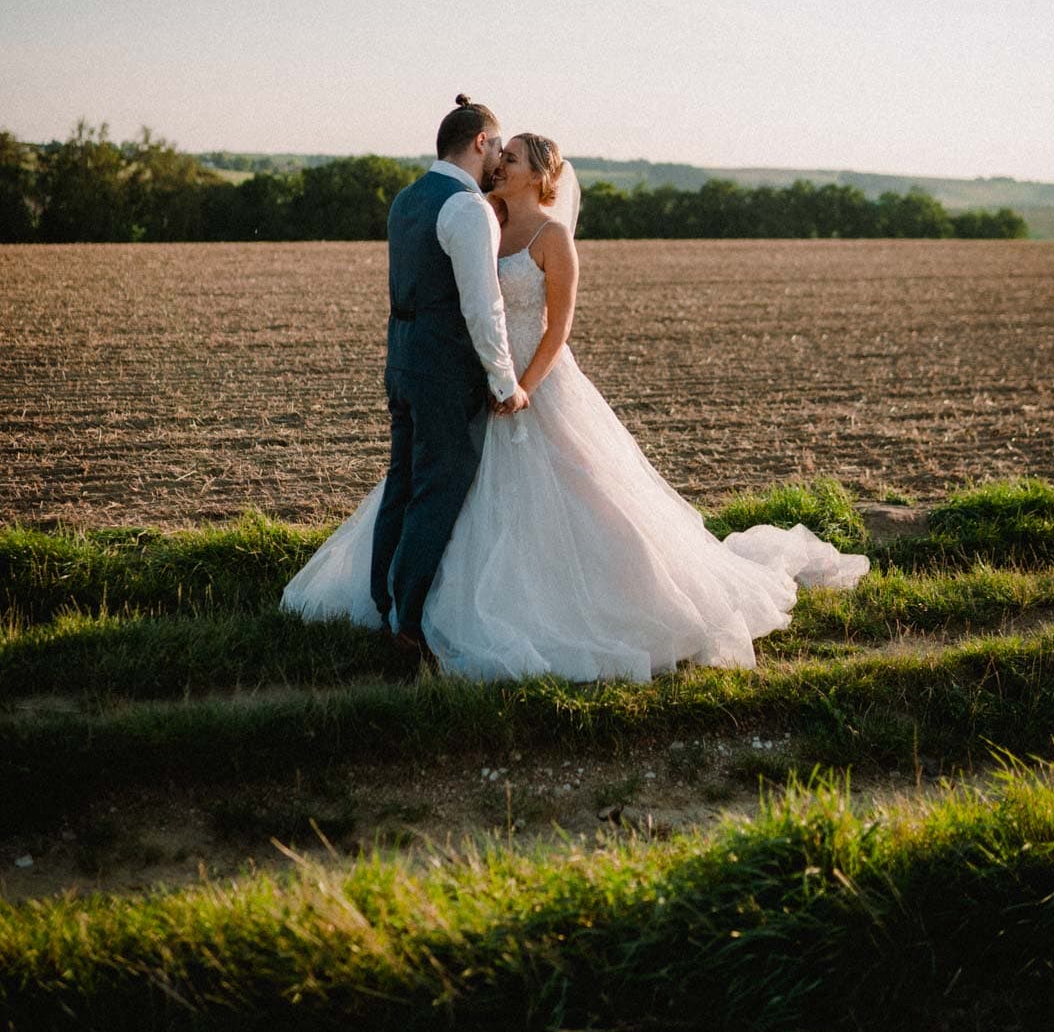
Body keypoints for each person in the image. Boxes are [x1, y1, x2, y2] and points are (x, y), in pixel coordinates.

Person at [281, 132, 869, 682]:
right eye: (500, 154)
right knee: (454, 486)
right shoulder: (488, 219)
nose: (499, 165)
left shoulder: (552, 239)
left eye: (511, 159)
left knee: (576, 495)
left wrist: (524, 386)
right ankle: (414, 602)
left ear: (541, 176)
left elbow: (557, 328)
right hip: (479, 377)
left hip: (536, 384)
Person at [363, 95, 527, 669]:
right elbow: (484, 309)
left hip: (401, 357)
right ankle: (408, 628)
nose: (497, 166)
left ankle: (380, 606)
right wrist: (505, 381)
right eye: (495, 150)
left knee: (402, 481)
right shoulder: (467, 208)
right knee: (440, 486)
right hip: (442, 367)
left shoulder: (406, 199)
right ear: (480, 141)